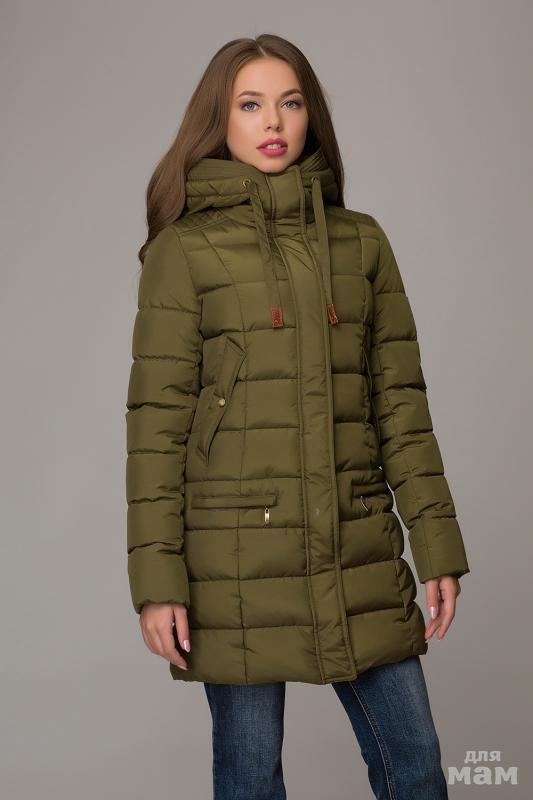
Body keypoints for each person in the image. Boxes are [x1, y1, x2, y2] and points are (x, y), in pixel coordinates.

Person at [125, 33, 470, 800]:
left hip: (356, 543)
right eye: (250, 104)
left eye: (289, 101)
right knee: (250, 780)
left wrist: (436, 544)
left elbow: (401, 408)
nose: (273, 121)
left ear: (311, 114)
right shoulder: (185, 252)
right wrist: (156, 583)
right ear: (219, 119)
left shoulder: (361, 244)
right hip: (231, 559)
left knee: (415, 768)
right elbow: (155, 428)